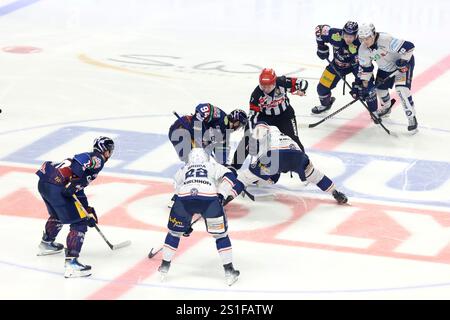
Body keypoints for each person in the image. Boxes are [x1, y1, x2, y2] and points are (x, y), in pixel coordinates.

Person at [158, 148, 245, 286]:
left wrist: (184, 224)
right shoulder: (212, 165)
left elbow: (176, 185)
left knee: (174, 234)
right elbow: (230, 176)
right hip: (209, 200)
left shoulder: (184, 168)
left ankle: (164, 267)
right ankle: (229, 271)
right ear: (205, 158)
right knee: (221, 236)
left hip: (183, 200)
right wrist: (221, 193)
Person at [35, 136, 114, 278]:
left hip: (45, 182)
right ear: (106, 151)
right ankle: (72, 264)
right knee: (80, 223)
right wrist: (73, 185)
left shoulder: (91, 163)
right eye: (110, 150)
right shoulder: (98, 159)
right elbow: (80, 162)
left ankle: (46, 243)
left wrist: (87, 210)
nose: (110, 154)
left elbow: (78, 187)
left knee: (58, 215)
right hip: (56, 185)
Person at [237, 122, 348, 204]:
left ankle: (228, 195)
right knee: (315, 175)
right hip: (298, 156)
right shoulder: (281, 134)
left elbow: (255, 151)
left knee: (246, 175)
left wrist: (253, 167)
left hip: (274, 156)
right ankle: (335, 192)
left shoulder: (260, 127)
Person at [355, 23, 417, 132]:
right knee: (380, 89)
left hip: (402, 67)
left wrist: (403, 61)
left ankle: (411, 117)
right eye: (362, 39)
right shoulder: (362, 50)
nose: (365, 41)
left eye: (368, 38)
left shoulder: (386, 39)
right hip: (385, 69)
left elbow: (409, 47)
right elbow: (366, 69)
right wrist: (365, 86)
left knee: (401, 90)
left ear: (373, 34)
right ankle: (386, 108)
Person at [168, 103, 248, 164]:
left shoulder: (225, 134)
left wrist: (225, 167)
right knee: (195, 159)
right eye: (239, 125)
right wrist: (198, 133)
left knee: (199, 161)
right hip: (181, 128)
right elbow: (201, 108)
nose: (238, 129)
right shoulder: (221, 116)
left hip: (187, 137)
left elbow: (222, 156)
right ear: (236, 122)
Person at [313, 21, 360, 114]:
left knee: (364, 90)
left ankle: (373, 110)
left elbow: (365, 64)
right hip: (336, 65)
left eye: (351, 37)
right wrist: (321, 47)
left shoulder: (361, 43)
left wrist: (358, 85)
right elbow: (319, 29)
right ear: (342, 32)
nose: (348, 39)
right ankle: (326, 104)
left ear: (356, 35)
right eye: (346, 35)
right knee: (321, 89)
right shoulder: (335, 35)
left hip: (355, 67)